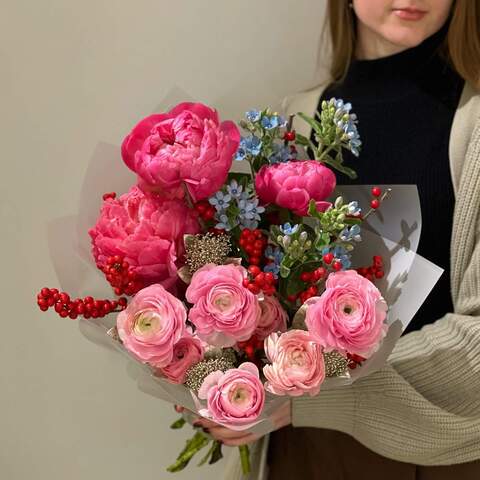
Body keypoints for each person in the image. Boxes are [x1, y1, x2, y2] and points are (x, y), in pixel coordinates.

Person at [184, 1, 480, 478]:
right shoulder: (292, 120)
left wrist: (313, 399)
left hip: (440, 456)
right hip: (304, 450)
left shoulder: (473, 125)